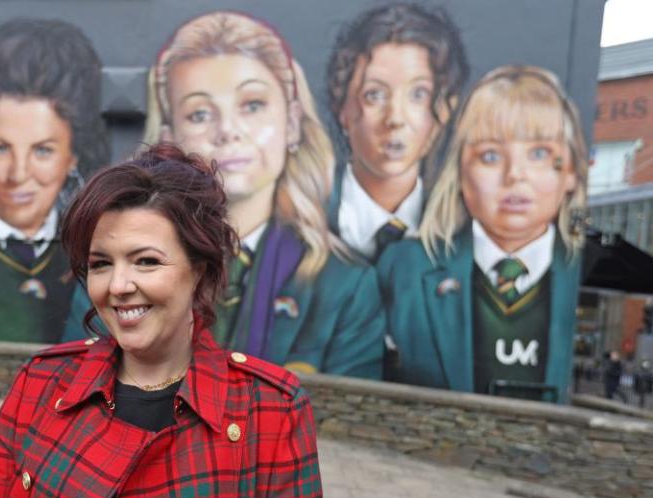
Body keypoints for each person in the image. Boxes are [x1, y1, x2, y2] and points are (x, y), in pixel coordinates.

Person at [0, 144, 326, 498]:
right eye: (100, 264)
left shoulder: (272, 410)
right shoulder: (41, 386)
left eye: (146, 261)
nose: (117, 286)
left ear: (200, 270)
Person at [131, 10, 383, 378]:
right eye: (200, 114)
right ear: (169, 139)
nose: (228, 131)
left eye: (252, 105)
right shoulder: (119, 266)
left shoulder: (347, 286)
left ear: (292, 123)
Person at [378, 66, 588, 404]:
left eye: (539, 154)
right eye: (490, 156)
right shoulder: (405, 269)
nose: (515, 175)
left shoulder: (581, 271)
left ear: (573, 174)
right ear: (460, 171)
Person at [0, 18, 109, 342]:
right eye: (0, 148)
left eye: (43, 151)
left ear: (73, 154)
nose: (18, 175)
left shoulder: (93, 246)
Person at [326, 2, 468, 262]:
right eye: (374, 95)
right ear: (341, 108)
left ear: (445, 109)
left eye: (418, 94)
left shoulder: (462, 232)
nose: (395, 118)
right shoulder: (300, 220)